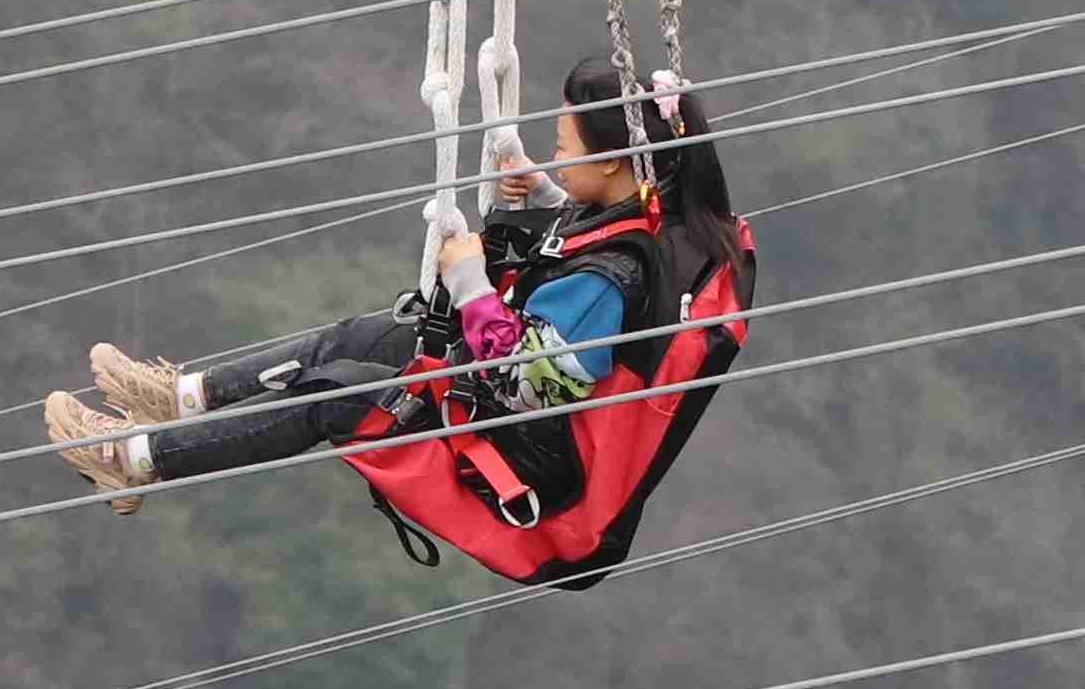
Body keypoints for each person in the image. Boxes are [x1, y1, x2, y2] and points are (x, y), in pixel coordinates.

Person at [46, 56, 710, 501]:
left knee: (333, 395)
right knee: (364, 337)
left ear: (619, 161)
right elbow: (580, 247)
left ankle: (133, 463)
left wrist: (472, 282)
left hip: (518, 453)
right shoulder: (647, 210)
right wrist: (539, 195)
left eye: (566, 150)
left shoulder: (613, 278)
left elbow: (532, 381)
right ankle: (183, 397)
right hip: (498, 406)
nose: (557, 158)